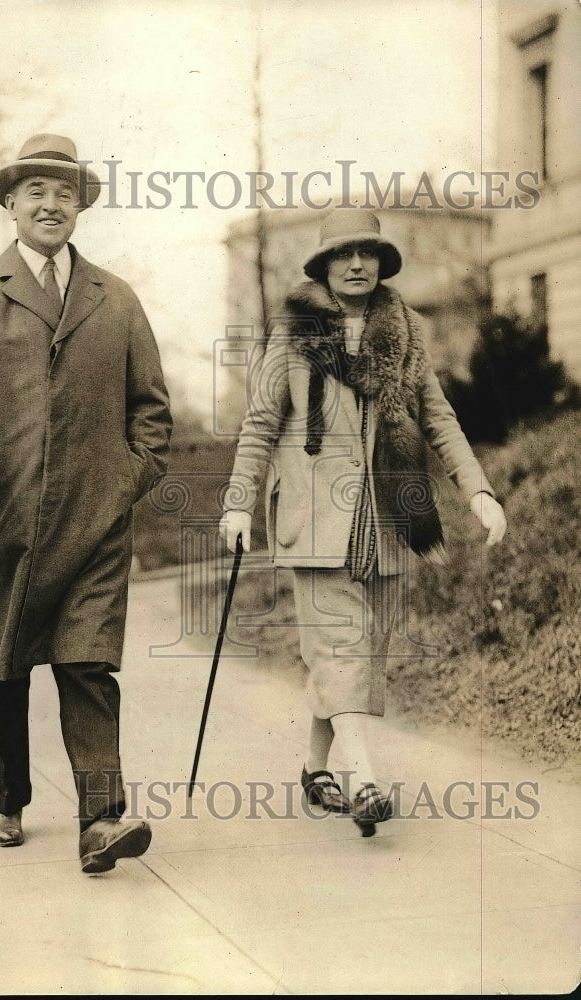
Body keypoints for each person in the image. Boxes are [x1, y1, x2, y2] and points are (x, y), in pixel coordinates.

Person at [0, 134, 172, 872]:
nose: (51, 204)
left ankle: (102, 819)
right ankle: (7, 797)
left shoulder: (114, 298)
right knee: (3, 667)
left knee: (87, 663)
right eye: (36, 192)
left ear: (81, 208)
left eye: (66, 193)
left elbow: (150, 412)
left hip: (93, 523)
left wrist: (122, 481)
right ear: (10, 204)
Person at [219, 208, 506, 837]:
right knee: (339, 644)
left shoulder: (405, 336)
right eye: (344, 255)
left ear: (381, 265)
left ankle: (315, 767)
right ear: (323, 267)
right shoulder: (292, 336)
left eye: (368, 255)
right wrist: (239, 502)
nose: (356, 265)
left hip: (385, 518)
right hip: (313, 519)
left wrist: (479, 490)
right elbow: (260, 423)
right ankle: (364, 780)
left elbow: (438, 418)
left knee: (358, 650)